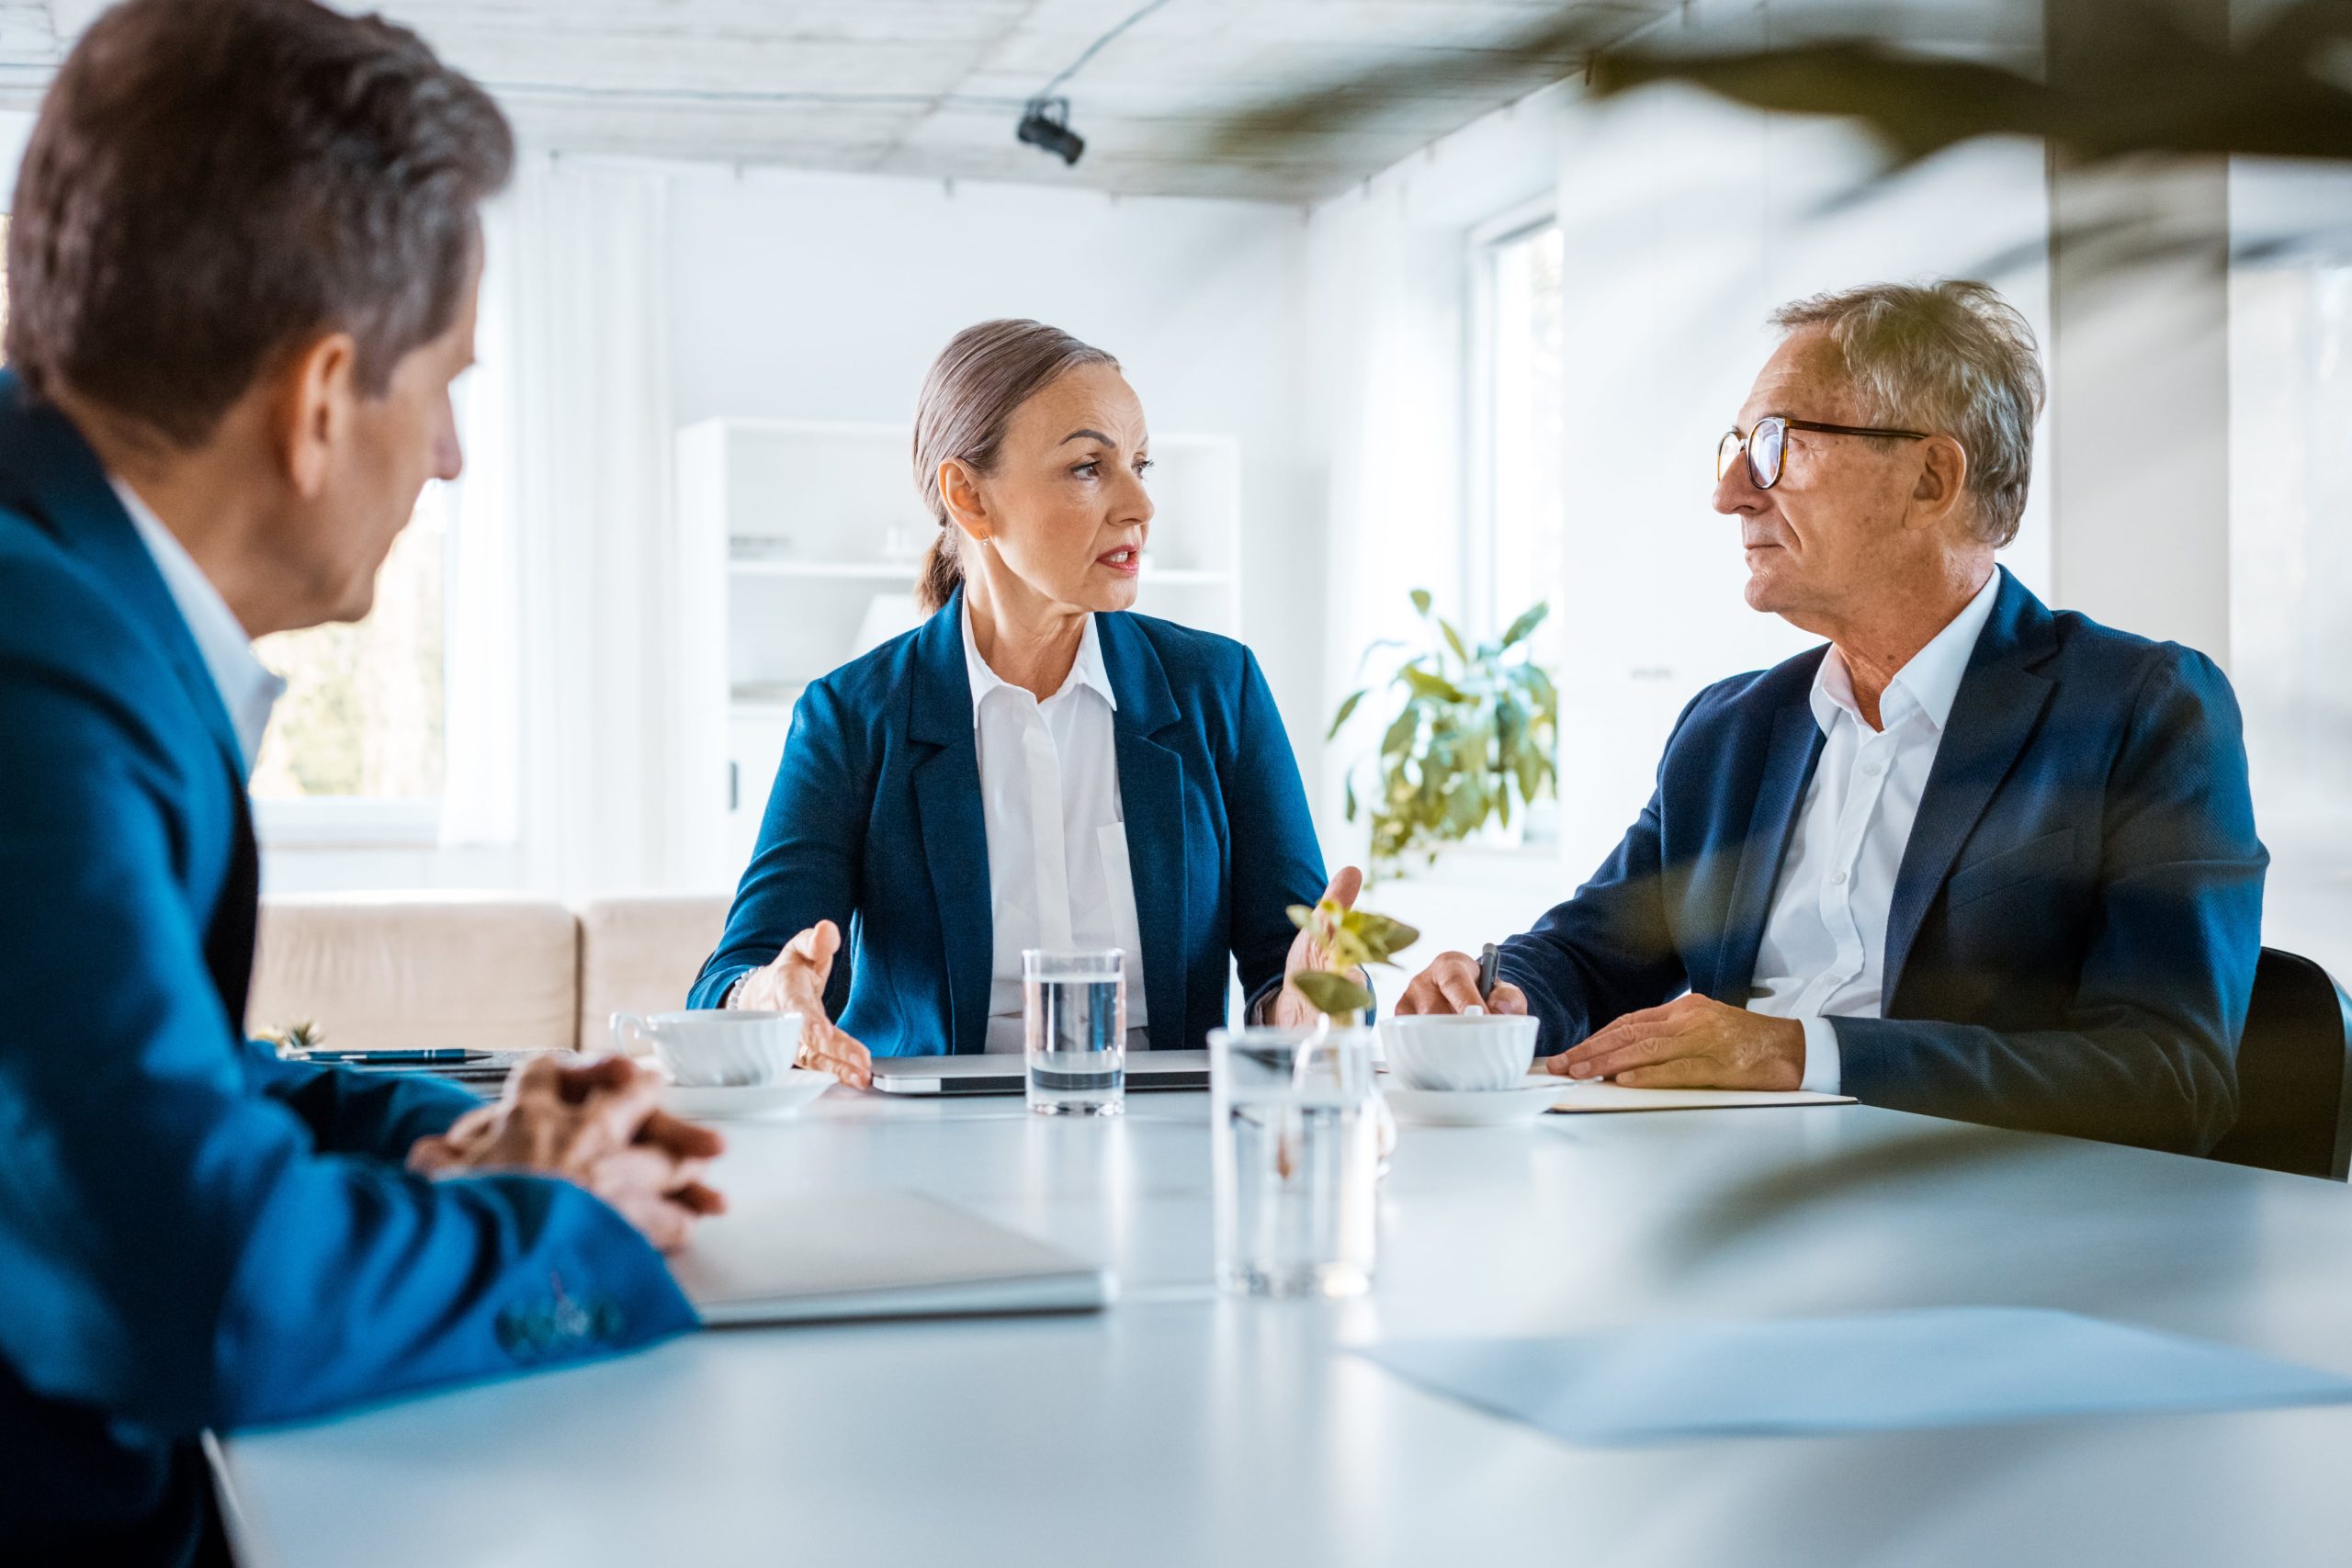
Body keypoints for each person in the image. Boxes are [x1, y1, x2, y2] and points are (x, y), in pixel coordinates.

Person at [0, 4, 723, 1562]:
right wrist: (565, 1235)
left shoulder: (55, 587)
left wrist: (447, 1130)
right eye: (445, 385)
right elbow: (207, 1290)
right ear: (322, 399)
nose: (452, 456)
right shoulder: (41, 670)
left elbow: (131, 1090)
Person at [1398, 280, 2265, 1154]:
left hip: (1986, 1230)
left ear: (1931, 478)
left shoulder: (2140, 711)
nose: (1731, 492)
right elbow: (1586, 954)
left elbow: (2171, 1078)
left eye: (1775, 444)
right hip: (1715, 1211)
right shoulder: (1729, 731)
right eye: (1735, 447)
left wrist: (1802, 1053)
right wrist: (1495, 996)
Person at [693, 320, 1361, 1080]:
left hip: (1167, 1139)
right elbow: (738, 974)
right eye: (1088, 467)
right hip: (924, 1151)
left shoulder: (1219, 690)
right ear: (969, 496)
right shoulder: (852, 719)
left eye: (1141, 464)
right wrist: (771, 997)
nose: (1140, 503)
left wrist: (1310, 1001)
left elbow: (1294, 968)